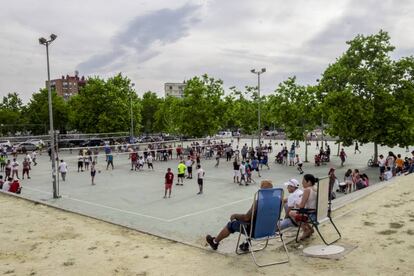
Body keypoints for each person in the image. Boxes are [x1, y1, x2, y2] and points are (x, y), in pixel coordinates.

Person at [205, 180, 274, 251]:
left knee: (231, 224)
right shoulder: (278, 201)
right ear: (273, 191)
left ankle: (214, 242)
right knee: (254, 220)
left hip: (256, 232)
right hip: (270, 230)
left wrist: (235, 215)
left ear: (261, 191)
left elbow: (246, 217)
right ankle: (246, 243)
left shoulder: (258, 203)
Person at [288, 174, 318, 240]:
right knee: (297, 211)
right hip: (317, 213)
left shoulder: (307, 190)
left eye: (303, 181)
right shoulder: (316, 188)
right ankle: (310, 229)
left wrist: (296, 204)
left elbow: (302, 206)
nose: (302, 183)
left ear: (309, 182)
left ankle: (305, 230)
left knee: (291, 213)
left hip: (310, 214)